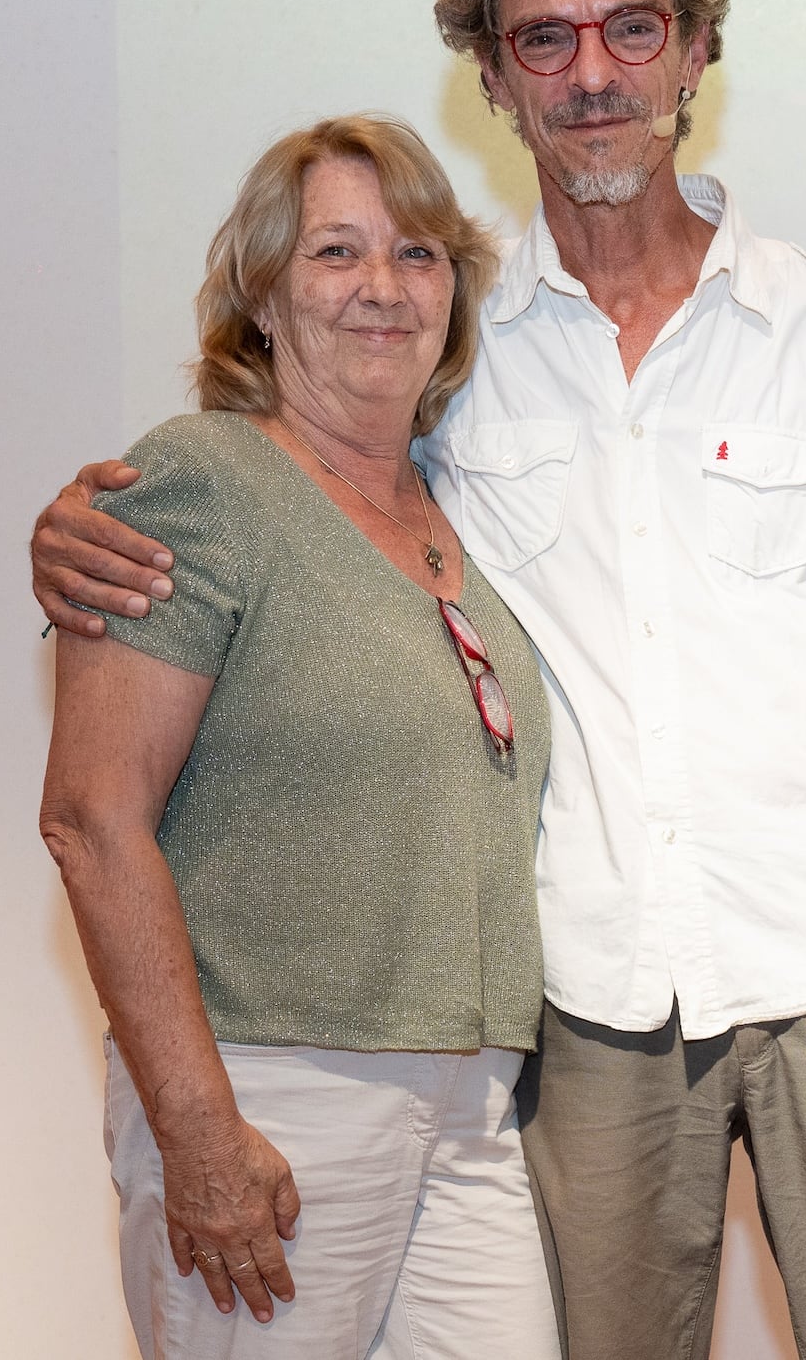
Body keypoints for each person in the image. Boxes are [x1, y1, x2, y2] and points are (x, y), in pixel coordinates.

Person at [34, 0, 806, 1360]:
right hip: (586, 1011)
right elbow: (289, 497)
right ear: (493, 80)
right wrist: (72, 537)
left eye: (631, 27)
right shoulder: (446, 347)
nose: (591, 75)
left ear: (697, 47)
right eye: (542, 40)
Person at [38, 113, 562, 1358]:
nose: (383, 287)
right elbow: (91, 820)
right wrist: (198, 1129)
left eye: (419, 254)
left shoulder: (453, 512)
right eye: (335, 253)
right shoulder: (203, 481)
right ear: (263, 299)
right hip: (271, 1091)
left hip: (471, 1096)